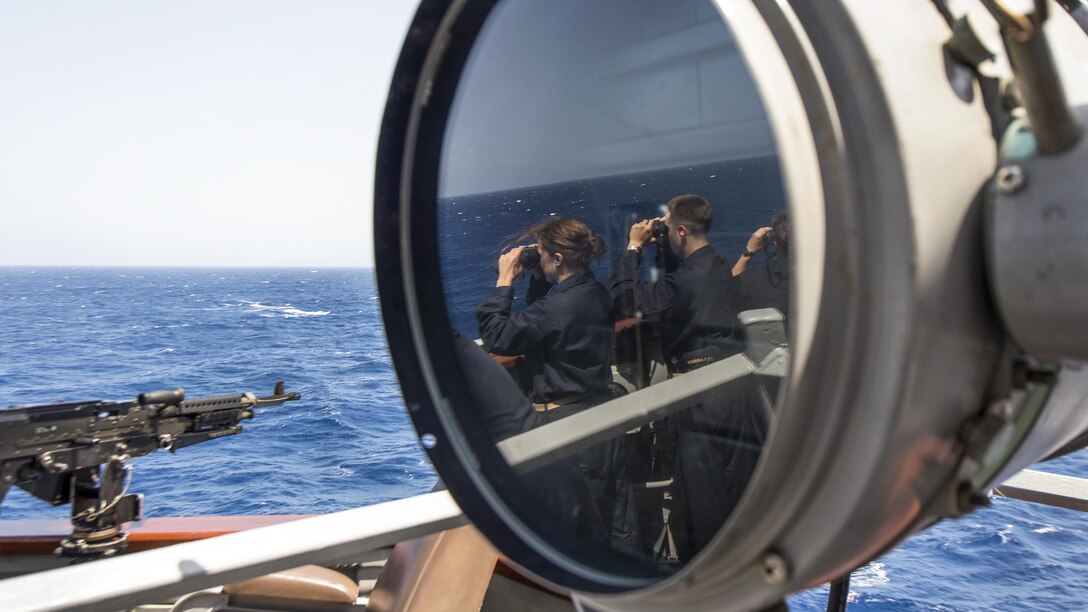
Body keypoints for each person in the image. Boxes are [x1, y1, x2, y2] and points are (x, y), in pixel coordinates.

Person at [609, 194, 765, 559]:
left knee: (705, 499)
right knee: (739, 489)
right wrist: (665, 243)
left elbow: (624, 299)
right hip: (736, 388)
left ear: (680, 230)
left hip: (701, 399)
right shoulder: (718, 265)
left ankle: (711, 576)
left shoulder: (683, 283)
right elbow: (678, 283)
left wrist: (634, 247)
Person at [475, 217, 641, 555]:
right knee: (621, 518)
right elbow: (544, 315)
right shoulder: (593, 292)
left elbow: (497, 337)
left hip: (568, 428)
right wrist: (539, 274)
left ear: (558, 258)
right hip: (602, 413)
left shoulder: (558, 308)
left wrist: (505, 280)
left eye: (541, 251)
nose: (537, 254)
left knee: (582, 527)